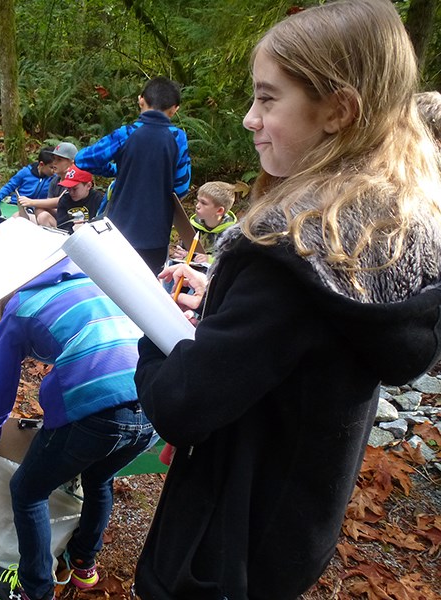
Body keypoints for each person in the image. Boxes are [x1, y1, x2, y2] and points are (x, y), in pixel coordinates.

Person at [132, 1, 441, 599]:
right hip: (294, 523)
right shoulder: (389, 227)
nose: (250, 118)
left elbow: (181, 405)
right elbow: (301, 347)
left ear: (338, 111)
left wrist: (155, 323)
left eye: (268, 99)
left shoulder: (292, 250)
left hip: (219, 552)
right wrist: (226, 308)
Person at [0, 259, 155, 600]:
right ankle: (84, 565)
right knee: (99, 477)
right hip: (153, 401)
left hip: (98, 408)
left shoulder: (20, 307)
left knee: (28, 491)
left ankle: (35, 589)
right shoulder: (93, 281)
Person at [75, 77, 191, 273]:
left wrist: (116, 171)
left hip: (118, 230)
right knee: (146, 290)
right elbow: (181, 187)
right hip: (156, 234)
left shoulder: (126, 133)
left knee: (113, 286)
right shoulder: (177, 138)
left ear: (141, 100)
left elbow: (83, 159)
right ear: (174, 109)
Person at [171, 181, 237, 263]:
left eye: (203, 203)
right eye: (198, 201)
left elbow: (233, 262)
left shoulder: (233, 234)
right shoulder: (192, 226)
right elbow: (187, 252)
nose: (197, 206)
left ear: (219, 210)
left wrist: (210, 260)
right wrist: (182, 255)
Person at [16, 142, 79, 227]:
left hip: (69, 224)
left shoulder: (75, 181)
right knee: (17, 216)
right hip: (56, 218)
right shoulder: (55, 180)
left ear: (72, 163)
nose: (54, 163)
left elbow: (59, 201)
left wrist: (31, 202)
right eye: (54, 158)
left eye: (59, 160)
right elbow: (50, 204)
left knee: (43, 216)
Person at [54, 166, 102, 234]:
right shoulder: (64, 200)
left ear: (88, 186)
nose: (71, 192)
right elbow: (61, 225)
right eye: (68, 188)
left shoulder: (97, 199)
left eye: (75, 189)